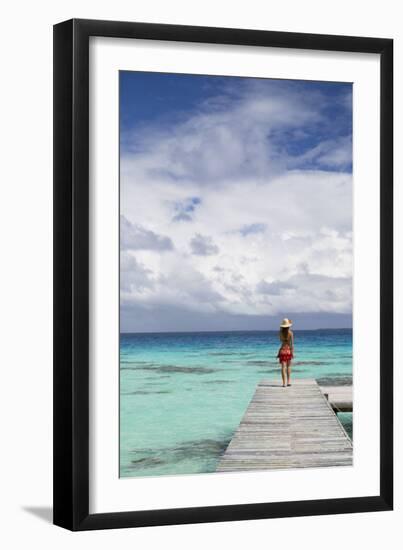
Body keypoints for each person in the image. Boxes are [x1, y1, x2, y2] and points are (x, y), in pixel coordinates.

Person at [277, 318, 294, 387]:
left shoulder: (280, 333)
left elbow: (281, 341)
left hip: (282, 350)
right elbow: (292, 344)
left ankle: (284, 383)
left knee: (283, 367)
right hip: (288, 350)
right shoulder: (291, 333)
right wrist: (292, 352)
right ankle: (288, 382)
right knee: (288, 366)